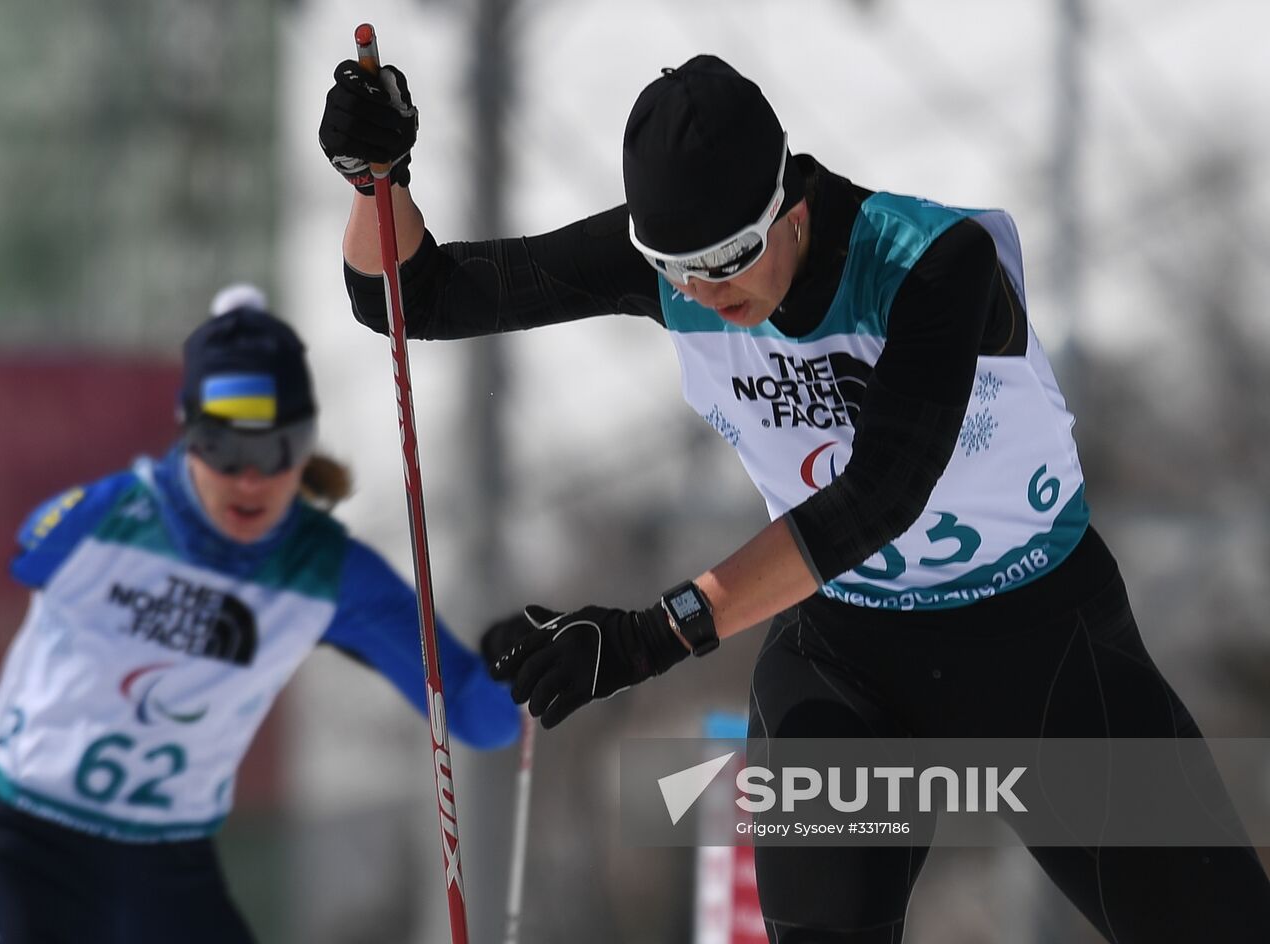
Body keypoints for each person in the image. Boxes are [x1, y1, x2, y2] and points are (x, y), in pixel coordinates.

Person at [320, 52, 1270, 943]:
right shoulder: (682, 267)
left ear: (791, 204)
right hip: (851, 659)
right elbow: (413, 297)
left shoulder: (933, 263)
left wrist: (653, 634)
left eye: (732, 256)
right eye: (674, 267)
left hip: (1040, 648)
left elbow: (879, 498)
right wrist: (378, 181)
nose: (706, 289)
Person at [0, 284, 520, 944]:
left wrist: (521, 671)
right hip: (28, 847)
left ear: (305, 451)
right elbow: (25, 552)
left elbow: (479, 716)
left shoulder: (327, 572)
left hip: (168, 875)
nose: (250, 479)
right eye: (225, 450)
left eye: (275, 452)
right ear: (189, 437)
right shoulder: (104, 523)